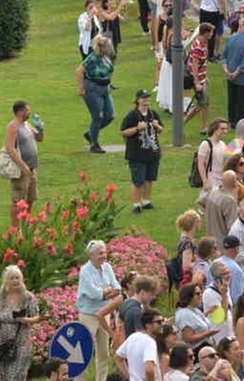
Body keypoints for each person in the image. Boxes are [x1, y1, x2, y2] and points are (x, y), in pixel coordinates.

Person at [77, 239, 124, 381]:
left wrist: (106, 292)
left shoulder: (107, 267)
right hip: (88, 315)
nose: (104, 255)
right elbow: (93, 293)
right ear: (91, 256)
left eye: (104, 252)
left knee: (103, 352)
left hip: (104, 313)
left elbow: (117, 287)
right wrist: (106, 292)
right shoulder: (85, 271)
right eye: (100, 253)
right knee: (84, 352)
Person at [0, 264, 41, 381]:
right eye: (11, 278)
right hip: (1, 343)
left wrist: (26, 320)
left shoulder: (27, 297)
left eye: (17, 277)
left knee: (15, 376)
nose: (15, 280)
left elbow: (36, 316)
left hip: (21, 343)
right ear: (6, 280)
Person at [121, 89, 163, 212]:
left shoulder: (153, 114)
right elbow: (123, 132)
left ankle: (147, 201)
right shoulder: (132, 115)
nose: (146, 100)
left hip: (153, 153)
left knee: (149, 179)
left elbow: (161, 130)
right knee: (138, 181)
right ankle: (136, 204)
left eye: (148, 97)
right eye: (143, 98)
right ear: (138, 100)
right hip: (136, 154)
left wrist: (157, 126)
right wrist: (137, 129)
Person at [78, 35, 117, 154]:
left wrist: (109, 84)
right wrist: (81, 87)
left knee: (110, 115)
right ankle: (94, 144)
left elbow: (109, 71)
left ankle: (91, 133)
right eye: (107, 47)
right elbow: (79, 70)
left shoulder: (106, 58)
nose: (109, 49)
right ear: (101, 47)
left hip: (104, 89)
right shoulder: (93, 58)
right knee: (97, 116)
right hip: (93, 89)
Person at [4, 100, 42, 213]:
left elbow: (40, 138)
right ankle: (16, 229)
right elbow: (10, 148)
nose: (29, 113)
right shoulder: (13, 126)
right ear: (21, 112)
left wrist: (40, 128)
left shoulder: (26, 124)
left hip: (31, 168)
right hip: (21, 170)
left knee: (30, 199)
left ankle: (27, 225)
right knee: (18, 201)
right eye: (28, 110)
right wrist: (23, 167)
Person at [115, 304, 164, 381]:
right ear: (148, 325)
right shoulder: (149, 342)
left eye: (163, 320)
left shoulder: (133, 337)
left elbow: (118, 357)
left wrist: (130, 377)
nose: (163, 324)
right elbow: (149, 369)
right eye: (159, 322)